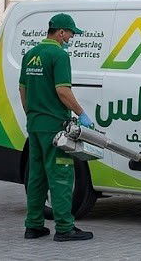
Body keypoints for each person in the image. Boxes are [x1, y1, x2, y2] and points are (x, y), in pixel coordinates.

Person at [19, 13, 95, 242]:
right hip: (54, 128)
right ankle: (64, 228)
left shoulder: (30, 54)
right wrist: (81, 114)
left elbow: (23, 90)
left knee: (36, 177)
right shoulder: (59, 55)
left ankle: (33, 226)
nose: (72, 37)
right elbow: (63, 90)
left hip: (35, 126)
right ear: (60, 32)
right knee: (61, 176)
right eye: (71, 33)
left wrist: (32, 115)